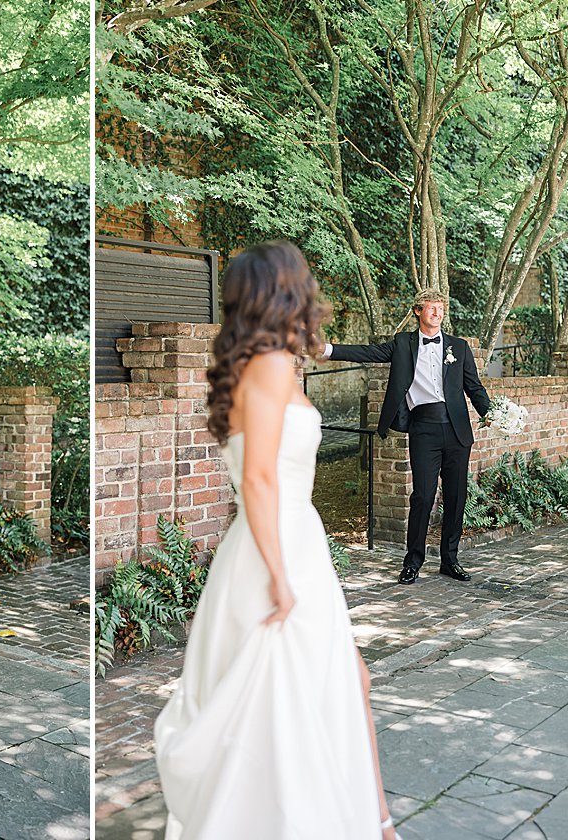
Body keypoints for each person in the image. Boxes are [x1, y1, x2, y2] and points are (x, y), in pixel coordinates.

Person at [154, 242, 395, 839]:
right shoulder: (269, 365)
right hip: (276, 549)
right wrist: (282, 579)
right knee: (288, 704)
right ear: (284, 290)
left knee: (341, 679)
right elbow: (258, 477)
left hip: (290, 541)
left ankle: (372, 820)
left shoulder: (263, 363)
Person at [323, 290, 490, 584]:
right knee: (423, 496)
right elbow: (368, 352)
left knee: (456, 497)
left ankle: (450, 560)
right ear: (417, 311)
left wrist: (489, 412)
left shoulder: (459, 347)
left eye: (440, 308)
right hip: (423, 428)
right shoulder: (402, 344)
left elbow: (473, 387)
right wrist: (326, 349)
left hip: (457, 430)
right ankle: (413, 562)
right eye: (431, 308)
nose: (437, 313)